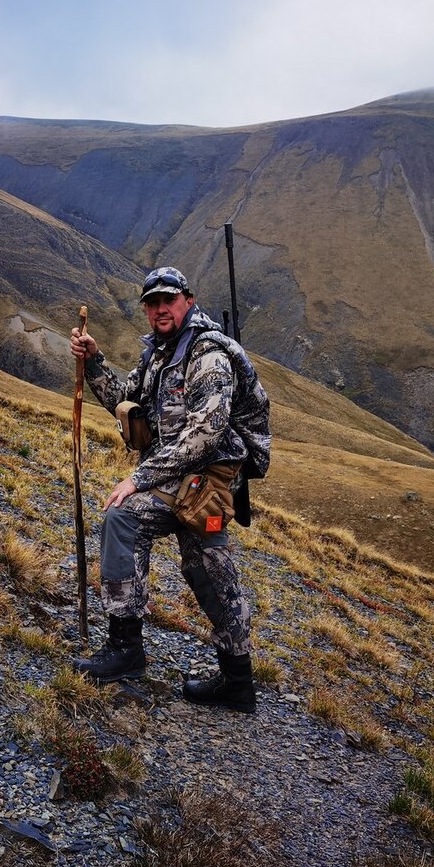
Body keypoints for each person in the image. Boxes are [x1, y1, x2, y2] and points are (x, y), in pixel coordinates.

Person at [69, 266, 271, 713]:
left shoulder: (208, 355)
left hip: (208, 482)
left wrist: (137, 478)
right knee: (130, 523)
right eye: (152, 303)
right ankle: (128, 650)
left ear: (187, 300)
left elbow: (206, 434)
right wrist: (94, 360)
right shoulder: (160, 355)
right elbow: (129, 401)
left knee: (210, 571)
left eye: (168, 300)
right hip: (176, 478)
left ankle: (236, 683)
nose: (160, 309)